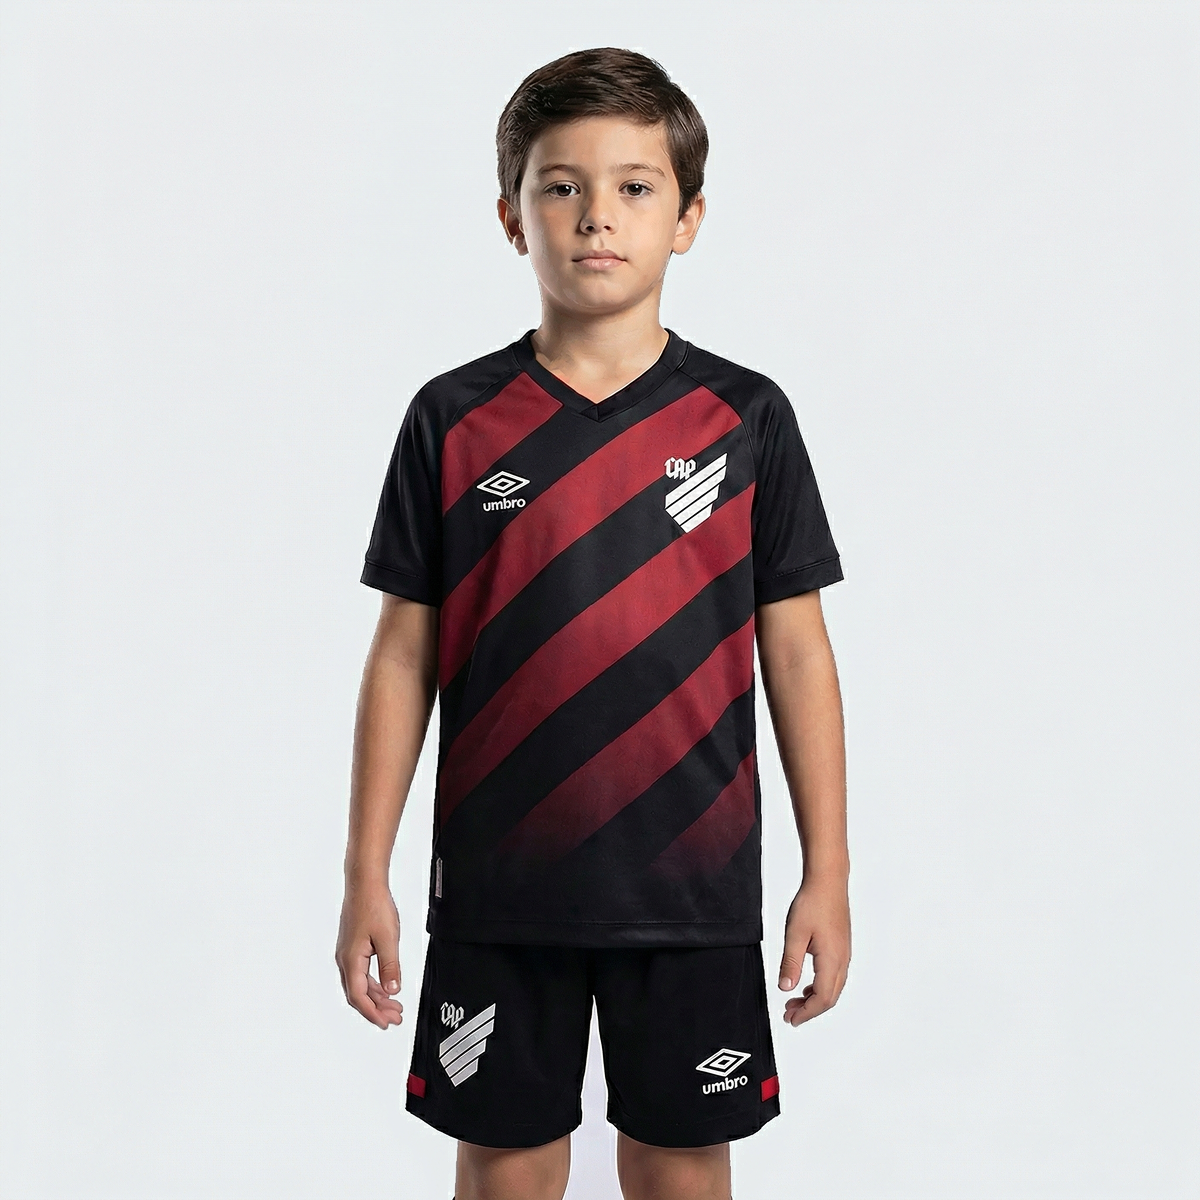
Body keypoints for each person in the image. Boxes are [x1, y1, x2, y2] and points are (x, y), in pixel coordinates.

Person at [334, 47, 850, 1200]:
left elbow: (798, 651)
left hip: (692, 895)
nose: (596, 216)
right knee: (506, 1173)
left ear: (688, 217)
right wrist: (366, 869)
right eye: (560, 186)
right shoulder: (453, 419)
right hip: (500, 892)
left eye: (634, 186)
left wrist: (830, 869)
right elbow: (402, 656)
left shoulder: (745, 419)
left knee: (680, 1172)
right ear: (512, 217)